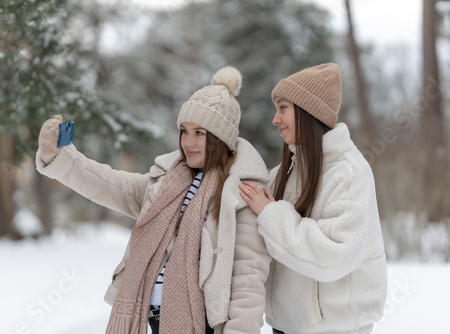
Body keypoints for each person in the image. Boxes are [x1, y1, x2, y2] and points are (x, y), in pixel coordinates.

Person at [36, 66, 271, 334]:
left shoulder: (241, 194)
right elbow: (110, 184)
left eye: (200, 133)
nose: (188, 142)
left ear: (220, 138)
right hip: (153, 321)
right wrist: (60, 157)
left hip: (202, 325)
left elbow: (247, 283)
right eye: (184, 131)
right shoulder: (166, 183)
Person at [238, 63, 387, 334]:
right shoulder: (288, 171)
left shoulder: (349, 173)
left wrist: (271, 214)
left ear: (308, 112)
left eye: (283, 108)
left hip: (335, 328)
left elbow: (333, 255)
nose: (275, 119)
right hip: (285, 326)